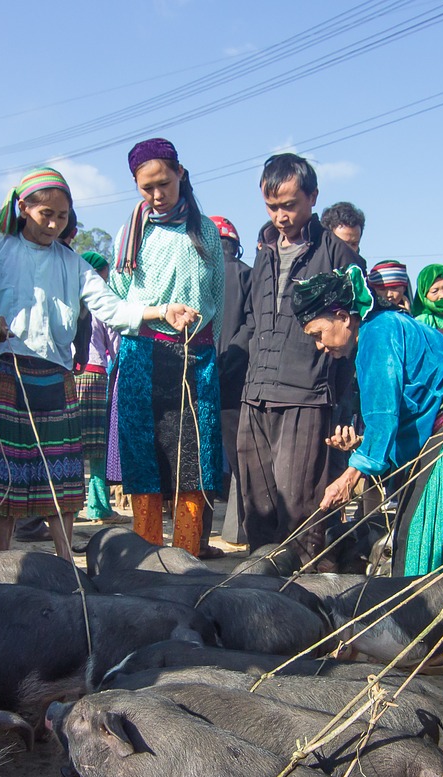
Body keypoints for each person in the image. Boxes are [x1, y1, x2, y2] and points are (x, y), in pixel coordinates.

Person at [0, 166, 198, 558]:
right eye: (46, 214)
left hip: (54, 375)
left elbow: (111, 307)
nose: (54, 224)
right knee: (2, 474)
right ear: (23, 208)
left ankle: (66, 559)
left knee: (61, 475)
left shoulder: (72, 263)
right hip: (1, 371)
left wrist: (160, 312)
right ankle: (1, 556)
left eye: (63, 216)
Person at [304, 267, 443, 578]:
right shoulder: (374, 333)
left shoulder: (377, 333)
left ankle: (432, 607)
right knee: (417, 527)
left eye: (318, 334)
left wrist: (349, 476)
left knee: (423, 531)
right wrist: (364, 449)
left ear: (343, 317)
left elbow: (384, 414)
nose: (319, 346)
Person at [238, 153, 364, 561]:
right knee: (257, 506)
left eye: (289, 205)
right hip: (255, 394)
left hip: (307, 397)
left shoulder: (339, 258)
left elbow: (354, 342)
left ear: (312, 197)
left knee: (302, 510)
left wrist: (346, 407)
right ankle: (261, 597)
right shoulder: (264, 250)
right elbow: (253, 320)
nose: (280, 216)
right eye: (272, 206)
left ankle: (307, 599)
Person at [105, 137, 225, 555]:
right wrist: (156, 312)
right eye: (146, 188)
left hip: (195, 357)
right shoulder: (129, 235)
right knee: (145, 461)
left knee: (192, 463)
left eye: (164, 184)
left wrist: (199, 333)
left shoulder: (206, 231)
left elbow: (217, 299)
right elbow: (114, 302)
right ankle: (146, 559)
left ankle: (188, 559)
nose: (157, 195)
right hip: (141, 357)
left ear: (181, 174)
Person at [211, 214, 252, 546]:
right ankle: (237, 529)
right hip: (237, 381)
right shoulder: (247, 275)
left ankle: (194, 535)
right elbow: (252, 327)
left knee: (199, 455)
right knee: (240, 455)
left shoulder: (198, 276)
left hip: (196, 374)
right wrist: (231, 360)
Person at [75, 250, 122, 525]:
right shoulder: (101, 304)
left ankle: (68, 504)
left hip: (70, 374)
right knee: (98, 450)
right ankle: (99, 507)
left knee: (71, 445)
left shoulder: (69, 299)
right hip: (94, 376)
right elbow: (115, 345)